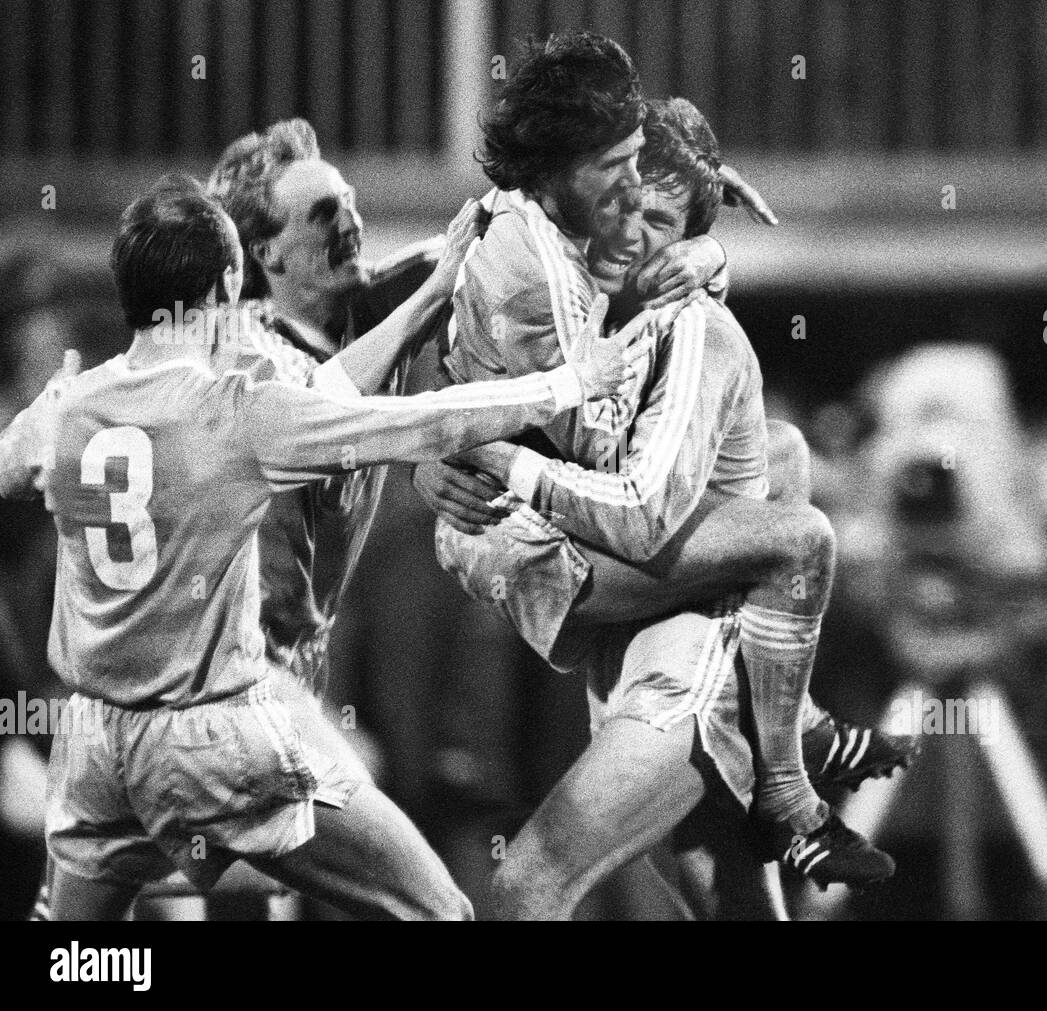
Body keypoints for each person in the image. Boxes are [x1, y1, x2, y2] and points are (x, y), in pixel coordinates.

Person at [0, 175, 641, 920]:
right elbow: (422, 423)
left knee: (76, 952)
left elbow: (12, 464)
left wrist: (33, 426)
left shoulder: (70, 408)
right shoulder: (236, 409)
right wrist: (566, 383)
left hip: (97, 746)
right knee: (438, 910)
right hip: (211, 734)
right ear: (231, 279)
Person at [420, 90, 914, 914]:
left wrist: (491, 458)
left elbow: (642, 519)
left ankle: (790, 775)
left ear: (687, 241)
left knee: (524, 887)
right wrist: (431, 457)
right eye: (615, 202)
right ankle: (795, 747)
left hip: (683, 660)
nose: (625, 230)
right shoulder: (567, 285)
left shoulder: (688, 328)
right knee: (731, 902)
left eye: (655, 220)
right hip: (631, 653)